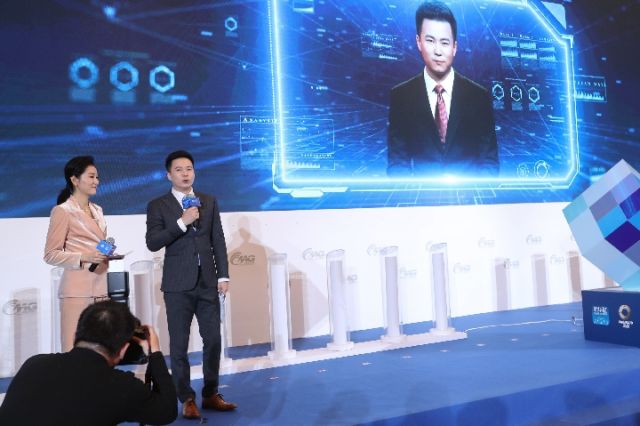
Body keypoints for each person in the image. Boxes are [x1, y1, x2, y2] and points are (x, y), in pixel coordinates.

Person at [145, 150, 237, 419]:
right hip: (177, 285)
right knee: (179, 345)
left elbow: (217, 239)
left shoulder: (208, 201)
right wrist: (182, 222)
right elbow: (153, 242)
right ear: (168, 175)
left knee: (213, 340)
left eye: (189, 169)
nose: (185, 174)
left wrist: (223, 275)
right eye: (179, 169)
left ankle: (210, 393)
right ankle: (186, 398)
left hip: (207, 282)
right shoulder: (158, 205)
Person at [0, 301, 178, 426]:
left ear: (75, 336)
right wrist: (155, 352)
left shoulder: (34, 364)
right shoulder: (121, 387)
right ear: (124, 349)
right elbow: (167, 411)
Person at [387, 0, 499, 177]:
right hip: (422, 192)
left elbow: (489, 161)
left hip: (470, 192)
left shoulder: (479, 96)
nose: (438, 51)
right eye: (430, 40)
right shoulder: (401, 95)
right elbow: (397, 163)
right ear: (418, 42)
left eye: (445, 42)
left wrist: (477, 192)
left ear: (455, 47)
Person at [44, 155, 111, 352]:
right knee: (74, 348)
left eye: (97, 177)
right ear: (74, 179)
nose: (96, 181)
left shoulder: (98, 210)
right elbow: (50, 254)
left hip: (101, 288)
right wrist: (84, 256)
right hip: (77, 291)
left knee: (101, 349)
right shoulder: (63, 211)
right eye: (91, 176)